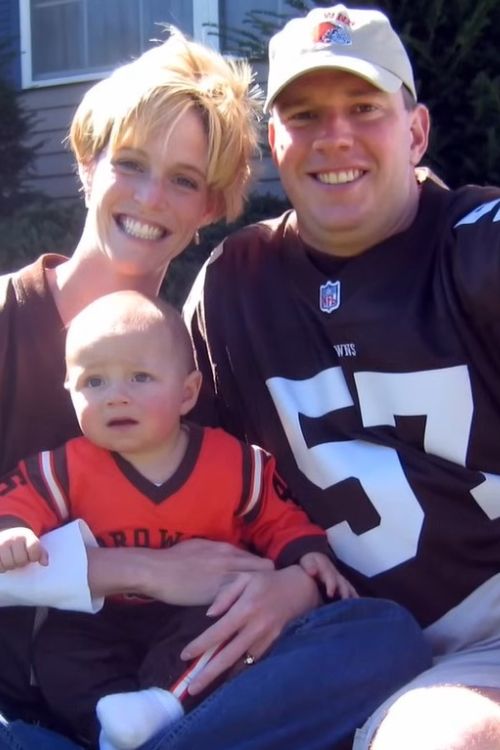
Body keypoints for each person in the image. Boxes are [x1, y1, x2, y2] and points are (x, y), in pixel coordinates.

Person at [0, 18, 431, 750]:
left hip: (180, 687)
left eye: (184, 181)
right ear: (87, 162)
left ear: (210, 208)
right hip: (18, 707)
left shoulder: (207, 346)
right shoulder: (9, 319)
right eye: (129, 162)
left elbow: (259, 508)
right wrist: (139, 570)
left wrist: (292, 585)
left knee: (382, 636)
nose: (150, 197)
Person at [183, 4, 500, 749]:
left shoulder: (476, 250)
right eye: (305, 114)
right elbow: (185, 471)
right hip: (334, 637)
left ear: (416, 130)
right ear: (274, 142)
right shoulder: (235, 283)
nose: (336, 137)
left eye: (364, 108)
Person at [0, 289, 354, 750]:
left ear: (188, 393)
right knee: (58, 653)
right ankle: (105, 732)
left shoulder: (234, 463)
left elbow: (276, 516)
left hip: (194, 612)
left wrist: (307, 552)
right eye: (94, 382)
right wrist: (14, 529)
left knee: (225, 631)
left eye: (140, 377)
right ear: (68, 392)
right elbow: (21, 496)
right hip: (102, 615)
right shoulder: (65, 467)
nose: (116, 397)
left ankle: (164, 707)